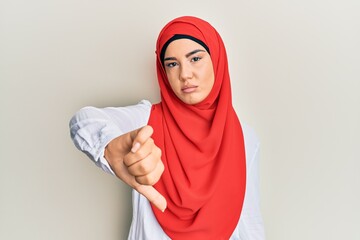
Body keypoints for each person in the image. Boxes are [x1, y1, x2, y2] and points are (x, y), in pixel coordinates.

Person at [69, 16, 265, 240]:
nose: (184, 74)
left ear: (217, 60)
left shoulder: (245, 137)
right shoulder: (146, 121)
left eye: (195, 58)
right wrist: (109, 145)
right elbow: (83, 120)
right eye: (172, 64)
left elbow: (250, 222)